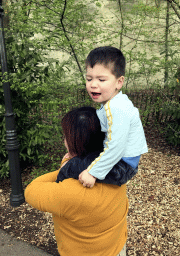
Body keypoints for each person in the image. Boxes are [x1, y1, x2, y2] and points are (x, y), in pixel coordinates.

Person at [25, 107, 129, 256]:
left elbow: (31, 190)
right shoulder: (117, 172)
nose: (64, 140)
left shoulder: (70, 192)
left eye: (66, 137)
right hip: (116, 246)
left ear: (74, 144)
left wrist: (67, 166)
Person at [79, 46, 148, 188]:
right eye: (89, 78)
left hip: (122, 166)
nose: (93, 85)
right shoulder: (114, 102)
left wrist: (93, 173)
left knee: (72, 166)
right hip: (123, 162)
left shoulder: (116, 108)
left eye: (101, 80)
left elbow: (116, 146)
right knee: (79, 160)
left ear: (119, 82)